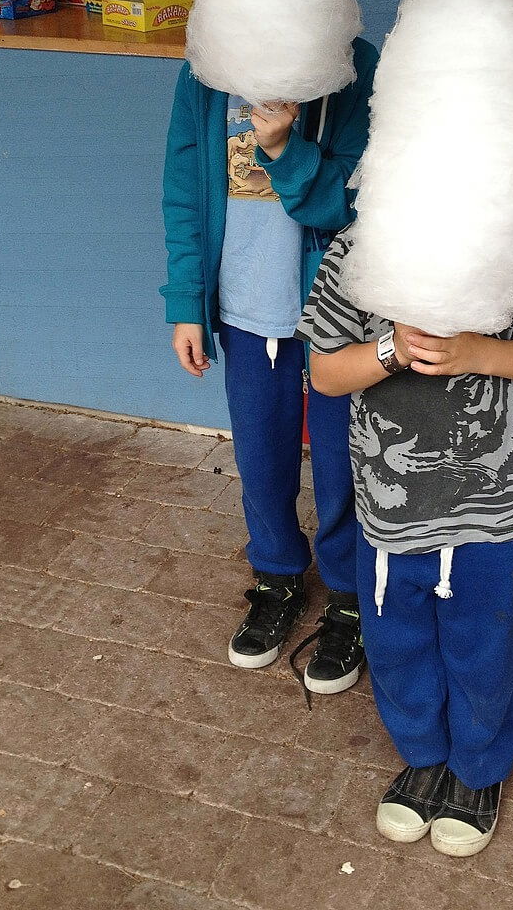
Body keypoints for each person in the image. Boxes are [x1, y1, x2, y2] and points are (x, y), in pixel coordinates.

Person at [295, 219, 513, 855]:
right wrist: (390, 350)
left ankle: (478, 770)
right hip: (391, 507)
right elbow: (324, 373)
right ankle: (424, 755)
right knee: (398, 640)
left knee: (485, 640)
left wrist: (478, 352)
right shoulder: (360, 244)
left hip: (492, 503)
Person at [161, 35, 378, 693]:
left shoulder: (353, 69)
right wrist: (187, 302)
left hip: (336, 315)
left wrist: (284, 147)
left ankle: (349, 595)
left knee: (344, 463)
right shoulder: (206, 73)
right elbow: (184, 191)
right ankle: (277, 574)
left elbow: (351, 200)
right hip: (245, 310)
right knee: (260, 454)